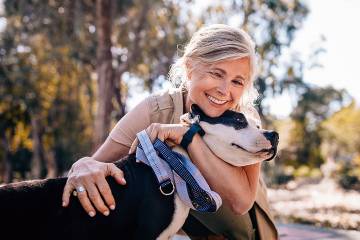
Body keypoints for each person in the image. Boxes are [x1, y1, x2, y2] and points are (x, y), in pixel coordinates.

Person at [62, 24, 278, 240]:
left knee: (177, 160)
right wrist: (83, 165)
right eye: (216, 73)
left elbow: (240, 203)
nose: (224, 90)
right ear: (190, 68)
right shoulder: (155, 110)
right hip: (175, 224)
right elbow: (97, 164)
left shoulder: (245, 121)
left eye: (237, 81)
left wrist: (188, 137)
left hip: (244, 232)